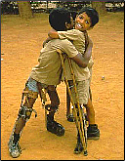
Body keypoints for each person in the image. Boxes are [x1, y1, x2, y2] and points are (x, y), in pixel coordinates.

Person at [8, 7, 93, 158]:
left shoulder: (57, 38)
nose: (75, 22)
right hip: (37, 79)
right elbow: (82, 62)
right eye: (73, 21)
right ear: (67, 25)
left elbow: (46, 43)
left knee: (54, 102)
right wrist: (90, 46)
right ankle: (13, 140)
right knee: (26, 110)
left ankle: (50, 122)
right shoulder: (65, 43)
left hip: (48, 80)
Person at [48, 7, 100, 154]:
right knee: (85, 100)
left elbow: (52, 34)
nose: (81, 22)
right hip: (81, 74)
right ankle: (93, 127)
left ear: (90, 26)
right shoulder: (83, 34)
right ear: (76, 16)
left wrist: (51, 37)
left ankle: (81, 137)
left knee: (79, 105)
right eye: (81, 17)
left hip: (79, 75)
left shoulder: (76, 33)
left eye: (87, 21)